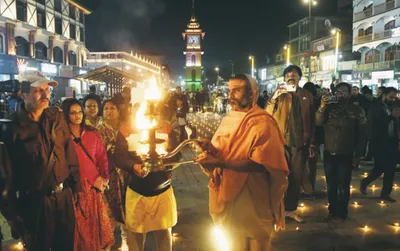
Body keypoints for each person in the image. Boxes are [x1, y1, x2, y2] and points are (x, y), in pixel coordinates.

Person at [195, 73, 289, 251]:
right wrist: (211, 149)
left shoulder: (262, 122)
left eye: (237, 91)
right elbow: (226, 152)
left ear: (253, 93)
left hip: (253, 194)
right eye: (230, 91)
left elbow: (260, 164)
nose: (231, 95)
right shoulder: (230, 118)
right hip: (229, 193)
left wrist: (220, 163)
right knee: (234, 241)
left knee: (256, 241)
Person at [0, 71, 80, 251]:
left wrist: (76, 190)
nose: (46, 95)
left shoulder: (57, 117)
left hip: (63, 198)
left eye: (47, 89)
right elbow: (5, 178)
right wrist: (13, 217)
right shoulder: (10, 128)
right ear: (22, 92)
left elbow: (69, 152)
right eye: (38, 90)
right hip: (35, 204)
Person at [61, 98, 114, 250]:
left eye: (79, 112)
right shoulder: (61, 137)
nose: (77, 116)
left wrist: (104, 178)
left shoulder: (92, 133)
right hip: (73, 188)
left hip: (92, 188)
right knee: (78, 228)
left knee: (93, 225)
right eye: (72, 113)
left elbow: (101, 157)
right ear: (66, 114)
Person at [266, 65, 315, 223]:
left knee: (295, 178)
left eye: (294, 74)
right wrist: (274, 97)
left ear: (299, 78)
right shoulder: (279, 96)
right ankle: (276, 209)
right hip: (281, 144)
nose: (291, 76)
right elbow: (266, 114)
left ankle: (291, 209)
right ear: (284, 79)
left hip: (299, 144)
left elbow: (312, 121)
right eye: (288, 74)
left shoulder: (306, 96)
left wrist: (312, 142)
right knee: (278, 178)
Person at [316, 82, 367, 222]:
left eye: (344, 91)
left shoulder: (357, 111)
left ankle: (342, 211)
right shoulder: (328, 107)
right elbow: (318, 122)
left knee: (343, 184)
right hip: (329, 152)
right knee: (331, 184)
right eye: (338, 91)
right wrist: (322, 106)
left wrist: (358, 156)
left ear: (350, 94)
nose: (341, 93)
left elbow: (362, 134)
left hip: (346, 153)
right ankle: (333, 210)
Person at [361, 87, 399, 202]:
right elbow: (374, 126)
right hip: (378, 143)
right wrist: (391, 117)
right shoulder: (375, 107)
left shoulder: (393, 106)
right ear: (384, 95)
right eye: (390, 97)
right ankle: (365, 181)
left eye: (394, 97)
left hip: (391, 142)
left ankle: (385, 194)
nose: (393, 99)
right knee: (380, 168)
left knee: (391, 169)